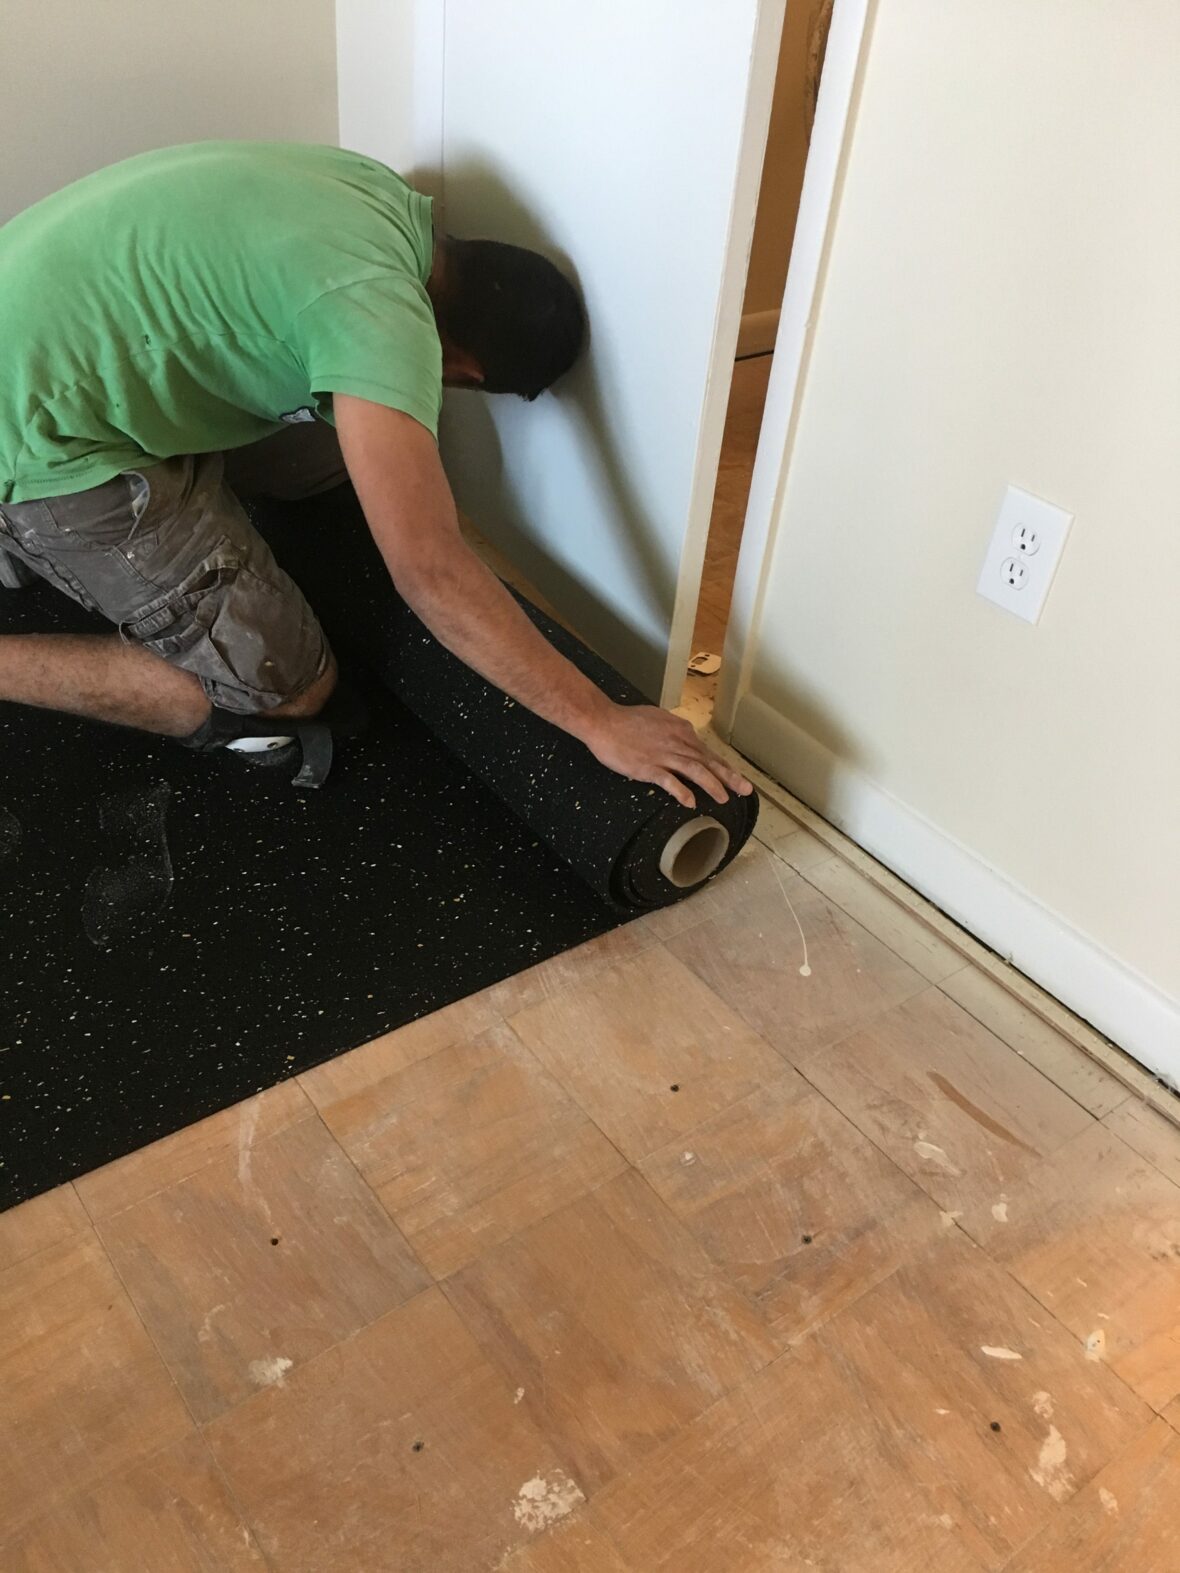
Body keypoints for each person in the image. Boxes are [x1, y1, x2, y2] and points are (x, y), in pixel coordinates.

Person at [0, 140, 749, 805]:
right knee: (289, 689)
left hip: (43, 335)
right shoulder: (378, 322)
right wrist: (600, 720)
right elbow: (429, 571)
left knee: (333, 461)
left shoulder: (380, 197)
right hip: (40, 434)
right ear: (463, 367)